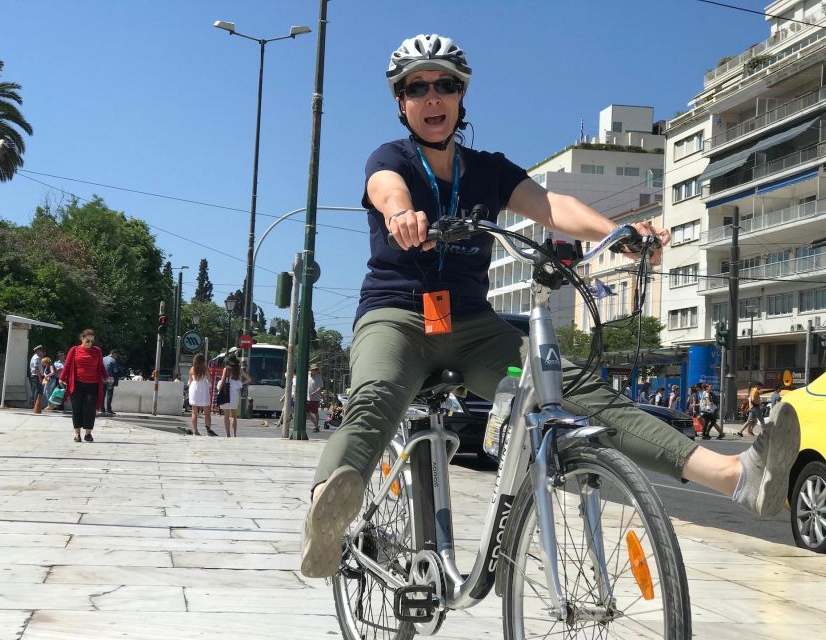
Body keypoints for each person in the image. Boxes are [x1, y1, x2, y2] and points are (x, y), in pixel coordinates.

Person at [298, 34, 802, 579]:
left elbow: (550, 204)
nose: (433, 97)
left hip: (471, 326)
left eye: (446, 84)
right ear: (402, 102)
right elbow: (385, 187)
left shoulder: (488, 170)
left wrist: (617, 232)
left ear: (461, 96)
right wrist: (401, 214)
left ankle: (735, 476)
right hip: (396, 316)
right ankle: (329, 507)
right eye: (417, 88)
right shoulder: (391, 158)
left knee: (570, 389)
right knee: (376, 396)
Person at [58, 329, 108, 442]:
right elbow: (67, 365)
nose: (90, 343)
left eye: (91, 341)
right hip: (76, 384)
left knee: (90, 409)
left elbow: (100, 366)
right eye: (87, 340)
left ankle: (88, 434)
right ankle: (77, 434)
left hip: (93, 385)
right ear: (82, 338)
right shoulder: (74, 350)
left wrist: (106, 376)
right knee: (77, 409)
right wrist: (61, 378)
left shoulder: (97, 351)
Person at [217, 354, 248, 437]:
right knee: (233, 415)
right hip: (235, 393)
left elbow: (223, 381)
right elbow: (248, 379)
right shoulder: (239, 369)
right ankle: (234, 434)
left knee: (226, 415)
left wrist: (219, 390)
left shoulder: (226, 369)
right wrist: (240, 384)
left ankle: (228, 434)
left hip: (226, 392)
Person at [188, 354, 217, 436]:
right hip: (203, 390)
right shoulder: (205, 369)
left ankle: (195, 431)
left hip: (194, 390)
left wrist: (190, 391)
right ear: (203, 361)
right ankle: (208, 430)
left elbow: (190, 382)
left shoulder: (192, 369)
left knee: (194, 412)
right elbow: (211, 380)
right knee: (207, 413)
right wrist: (209, 386)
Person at [101, 349, 121, 416]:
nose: (116, 357)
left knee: (102, 394)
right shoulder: (113, 360)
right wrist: (116, 381)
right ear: (114, 354)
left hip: (102, 378)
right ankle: (108, 409)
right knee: (109, 394)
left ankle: (102, 409)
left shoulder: (103, 359)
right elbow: (115, 372)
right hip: (110, 379)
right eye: (116, 355)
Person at [307, 363, 324, 433]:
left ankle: (316, 426)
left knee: (315, 412)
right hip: (307, 397)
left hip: (315, 398)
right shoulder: (307, 376)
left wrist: (314, 393)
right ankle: (316, 425)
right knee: (306, 412)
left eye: (315, 369)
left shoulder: (319, 377)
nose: (314, 371)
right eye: (313, 369)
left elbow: (321, 388)